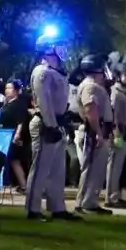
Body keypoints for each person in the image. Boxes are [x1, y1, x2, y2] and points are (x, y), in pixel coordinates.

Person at [26, 33, 79, 222]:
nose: (63, 49)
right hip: (46, 123)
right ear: (48, 48)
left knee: (58, 169)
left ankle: (58, 208)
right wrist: (51, 125)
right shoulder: (42, 72)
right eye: (59, 45)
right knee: (40, 168)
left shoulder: (58, 71)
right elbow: (44, 101)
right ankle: (33, 209)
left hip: (57, 122)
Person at [74, 55, 114, 215]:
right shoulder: (92, 87)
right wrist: (98, 133)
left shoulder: (91, 85)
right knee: (91, 168)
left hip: (96, 130)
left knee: (95, 169)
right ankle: (86, 202)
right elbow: (91, 110)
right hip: (93, 131)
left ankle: (89, 201)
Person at [105, 65, 126, 209]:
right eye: (125, 75)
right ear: (119, 76)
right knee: (114, 166)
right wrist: (116, 133)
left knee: (118, 166)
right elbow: (114, 115)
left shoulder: (124, 92)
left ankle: (115, 195)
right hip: (120, 132)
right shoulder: (116, 92)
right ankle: (111, 197)